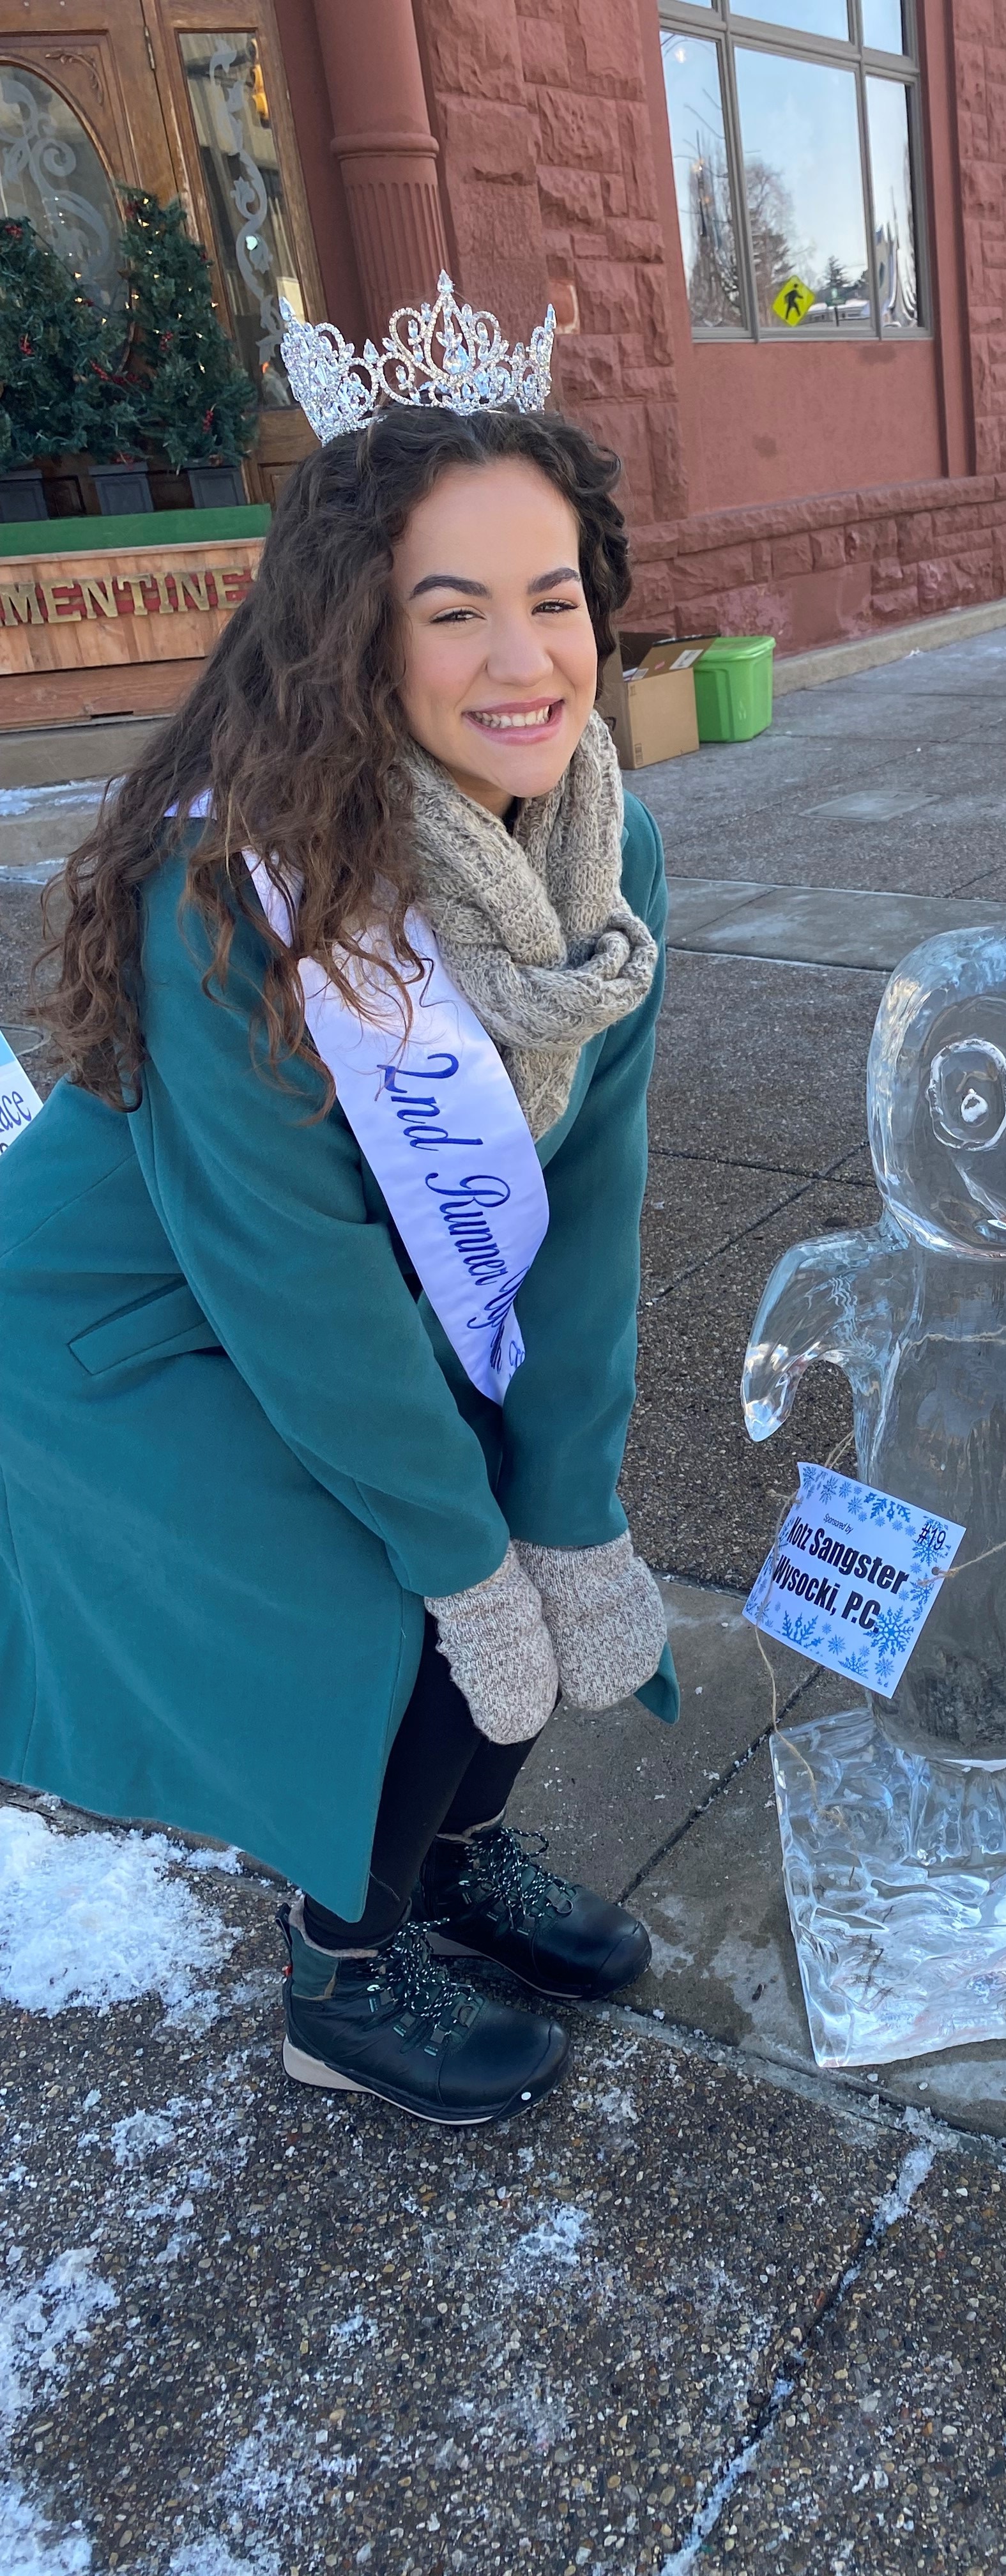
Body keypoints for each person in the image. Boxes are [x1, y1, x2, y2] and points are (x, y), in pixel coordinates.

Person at [0, 350, 676, 2126]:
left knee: (524, 1494)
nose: (524, 662)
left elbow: (587, 1200)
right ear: (352, 639)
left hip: (346, 1277)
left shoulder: (605, 851)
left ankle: (455, 1858)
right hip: (118, 1326)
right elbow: (286, 1267)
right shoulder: (239, 887)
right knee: (397, 1582)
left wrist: (577, 1510)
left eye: (554, 600)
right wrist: (468, 1557)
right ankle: (342, 1972)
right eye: (452, 613)